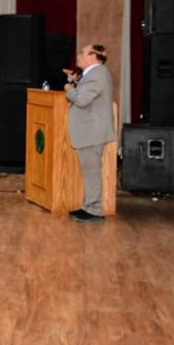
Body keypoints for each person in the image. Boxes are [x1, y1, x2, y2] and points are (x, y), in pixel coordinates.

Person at [64, 45, 114, 222]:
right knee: (89, 171)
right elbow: (87, 93)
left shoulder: (97, 75)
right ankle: (88, 207)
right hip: (91, 131)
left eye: (82, 53)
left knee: (91, 172)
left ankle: (94, 211)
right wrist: (74, 80)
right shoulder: (94, 74)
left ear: (93, 56)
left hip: (92, 132)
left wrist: (69, 89)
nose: (78, 55)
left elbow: (82, 100)